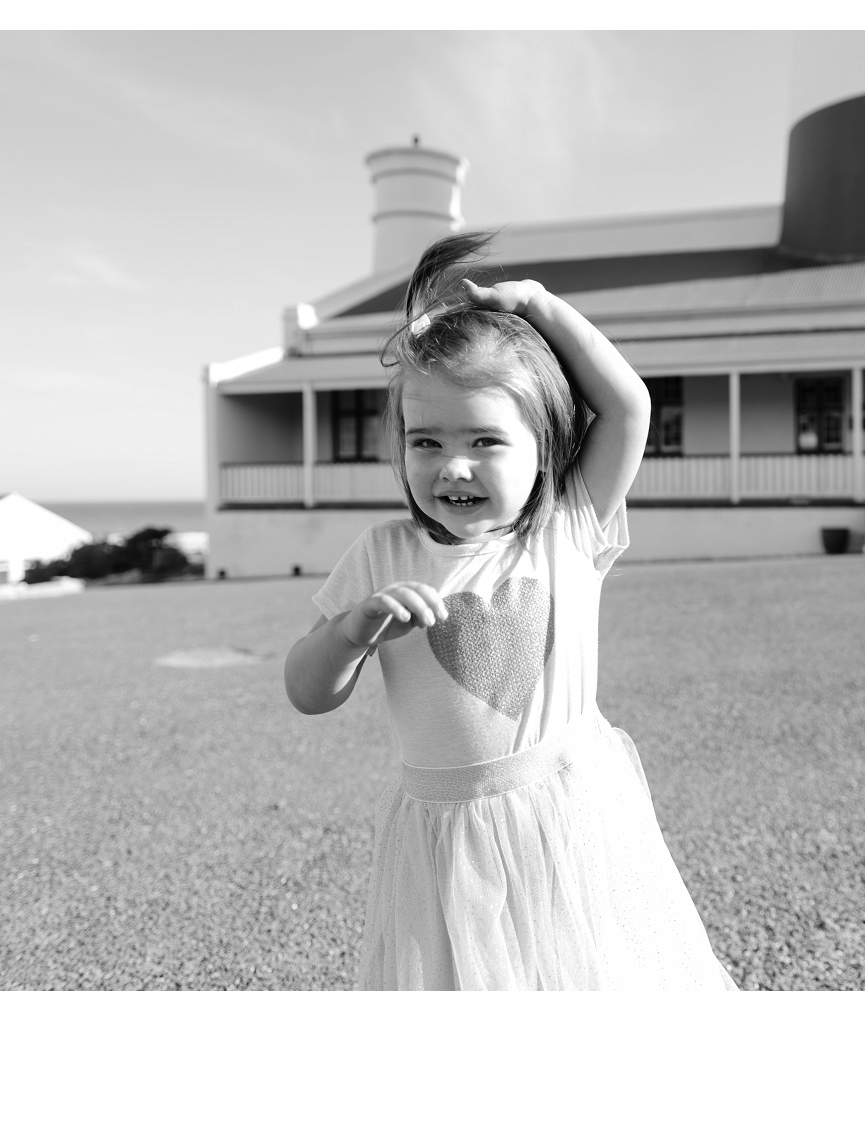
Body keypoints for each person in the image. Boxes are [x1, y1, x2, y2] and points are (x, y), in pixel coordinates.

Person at [284, 232, 737, 990]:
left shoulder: (568, 526)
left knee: (587, 976)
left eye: (485, 440)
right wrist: (350, 631)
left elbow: (628, 406)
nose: (451, 465)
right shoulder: (381, 554)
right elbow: (306, 691)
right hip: (442, 835)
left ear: (545, 448)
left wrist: (537, 306)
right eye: (424, 439)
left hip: (566, 815)